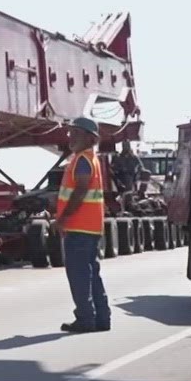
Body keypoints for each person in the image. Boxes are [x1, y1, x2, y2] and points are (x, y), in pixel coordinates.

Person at [56, 116, 110, 334]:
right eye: (70, 132)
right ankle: (101, 318)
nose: (71, 137)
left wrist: (63, 219)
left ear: (90, 138)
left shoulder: (82, 160)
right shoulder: (90, 158)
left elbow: (81, 190)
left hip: (79, 227)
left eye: (76, 133)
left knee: (79, 274)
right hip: (90, 227)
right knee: (91, 274)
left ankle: (86, 319)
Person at [110, 140, 143, 206]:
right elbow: (112, 168)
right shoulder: (118, 157)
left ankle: (138, 195)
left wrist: (138, 174)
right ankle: (128, 201)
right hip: (120, 176)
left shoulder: (133, 157)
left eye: (127, 145)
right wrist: (119, 170)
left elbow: (140, 166)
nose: (126, 147)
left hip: (132, 176)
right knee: (127, 179)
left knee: (145, 174)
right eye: (124, 146)